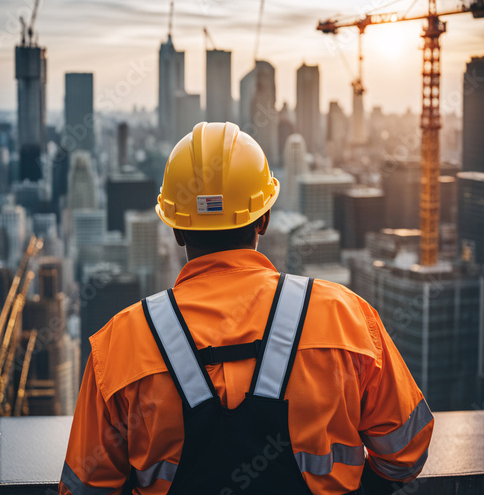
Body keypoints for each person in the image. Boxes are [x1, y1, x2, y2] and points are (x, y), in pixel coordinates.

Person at [59, 122, 433, 495]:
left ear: (175, 230)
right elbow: (405, 455)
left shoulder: (118, 345)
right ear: (265, 218)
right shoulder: (347, 317)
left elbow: (84, 489)